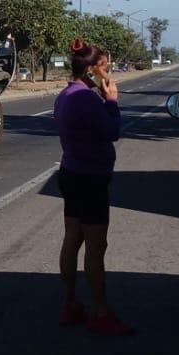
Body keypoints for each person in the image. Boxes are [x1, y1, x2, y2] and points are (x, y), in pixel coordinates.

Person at [53, 38, 133, 335]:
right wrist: (111, 99)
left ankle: (70, 303)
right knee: (96, 247)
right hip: (91, 178)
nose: (107, 73)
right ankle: (100, 311)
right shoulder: (86, 98)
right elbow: (112, 131)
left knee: (72, 238)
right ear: (90, 70)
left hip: (71, 173)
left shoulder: (67, 94)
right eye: (103, 68)